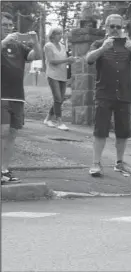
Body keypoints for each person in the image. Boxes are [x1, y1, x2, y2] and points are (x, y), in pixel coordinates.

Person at [85, 14, 131, 177]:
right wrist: (103, 48)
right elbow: (88, 59)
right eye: (112, 27)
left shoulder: (127, 45)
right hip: (104, 93)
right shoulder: (99, 44)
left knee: (123, 131)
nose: (116, 30)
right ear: (106, 27)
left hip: (124, 94)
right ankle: (96, 163)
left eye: (119, 27)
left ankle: (119, 163)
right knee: (100, 130)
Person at [1, 12, 42, 184]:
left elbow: (36, 56)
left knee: (12, 134)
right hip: (1, 96)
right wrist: (4, 42)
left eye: (10, 25)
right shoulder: (4, 43)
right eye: (5, 25)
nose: (9, 28)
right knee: (2, 132)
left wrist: (36, 42)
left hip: (17, 96)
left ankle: (4, 170)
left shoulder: (18, 46)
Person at [43, 26, 78, 130]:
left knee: (60, 99)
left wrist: (71, 60)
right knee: (58, 98)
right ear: (52, 35)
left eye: (61, 33)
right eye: (58, 33)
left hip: (62, 75)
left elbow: (65, 59)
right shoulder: (48, 46)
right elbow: (51, 61)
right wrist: (66, 60)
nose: (60, 35)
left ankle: (48, 119)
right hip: (52, 75)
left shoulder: (63, 46)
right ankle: (59, 122)